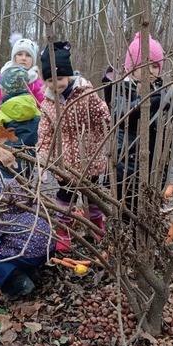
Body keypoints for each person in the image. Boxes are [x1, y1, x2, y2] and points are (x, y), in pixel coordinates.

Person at [38, 41, 111, 251]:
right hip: (65, 162)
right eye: (50, 80)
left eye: (59, 78)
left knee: (92, 196)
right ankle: (64, 230)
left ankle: (96, 225)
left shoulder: (86, 93)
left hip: (90, 156)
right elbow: (44, 134)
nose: (55, 84)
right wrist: (42, 162)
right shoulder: (47, 103)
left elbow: (103, 116)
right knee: (64, 197)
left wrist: (106, 119)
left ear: (69, 75)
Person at [112, 32, 173, 218]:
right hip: (127, 170)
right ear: (131, 67)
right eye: (143, 65)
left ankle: (146, 244)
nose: (150, 70)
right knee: (127, 214)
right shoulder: (121, 90)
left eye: (155, 66)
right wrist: (145, 104)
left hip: (155, 169)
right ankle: (127, 243)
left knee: (149, 212)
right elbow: (122, 118)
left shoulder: (164, 93)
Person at [0, 179, 55, 300]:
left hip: (29, 254)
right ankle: (31, 272)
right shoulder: (30, 207)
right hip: (49, 249)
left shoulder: (0, 216)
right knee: (19, 246)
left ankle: (20, 283)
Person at [0, 33, 44, 127]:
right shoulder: (1, 79)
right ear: (14, 57)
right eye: (19, 54)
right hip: (1, 130)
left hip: (29, 134)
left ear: (33, 59)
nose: (23, 58)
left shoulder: (37, 84)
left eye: (28, 55)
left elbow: (43, 110)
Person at [0, 65, 41, 178]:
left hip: (7, 156)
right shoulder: (35, 110)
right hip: (29, 156)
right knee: (25, 181)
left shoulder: (3, 112)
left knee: (7, 182)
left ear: (6, 91)